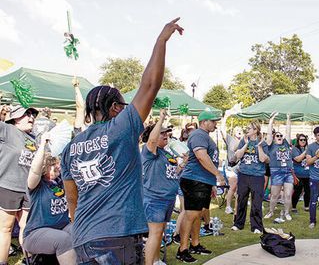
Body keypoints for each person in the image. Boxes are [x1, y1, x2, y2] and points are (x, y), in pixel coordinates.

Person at [61, 18, 184, 264]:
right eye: (124, 106)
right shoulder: (121, 128)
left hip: (83, 237)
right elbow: (150, 85)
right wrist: (161, 40)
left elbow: (71, 198)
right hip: (116, 236)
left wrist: (84, 227)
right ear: (116, 107)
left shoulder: (69, 148)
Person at [176, 110, 225, 263]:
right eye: (213, 121)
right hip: (194, 180)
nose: (215, 124)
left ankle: (195, 244)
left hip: (202, 181)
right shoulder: (198, 135)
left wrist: (211, 183)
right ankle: (182, 249)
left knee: (199, 214)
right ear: (204, 122)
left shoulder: (204, 136)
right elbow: (201, 156)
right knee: (191, 215)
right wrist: (218, 174)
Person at [23, 132, 76, 264]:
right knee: (64, 240)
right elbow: (34, 170)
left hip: (62, 227)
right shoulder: (37, 186)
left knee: (83, 229)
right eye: (51, 165)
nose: (56, 166)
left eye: (56, 163)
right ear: (43, 168)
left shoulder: (61, 181)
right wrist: (42, 145)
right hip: (35, 234)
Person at [0, 105, 38, 264]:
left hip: (28, 190)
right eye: (27, 114)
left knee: (27, 227)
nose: (31, 117)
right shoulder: (7, 129)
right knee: (5, 228)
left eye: (33, 114)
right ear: (15, 118)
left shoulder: (34, 138)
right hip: (8, 186)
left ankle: (28, 260)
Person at [141, 109, 180, 265]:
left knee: (160, 232)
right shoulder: (149, 151)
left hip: (168, 198)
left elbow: (171, 172)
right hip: (155, 199)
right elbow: (151, 141)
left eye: (167, 133)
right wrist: (161, 119)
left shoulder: (165, 152)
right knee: (155, 233)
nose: (166, 135)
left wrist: (182, 165)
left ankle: (156, 260)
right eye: (162, 133)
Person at [231, 121, 266, 234]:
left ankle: (256, 226)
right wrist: (246, 144)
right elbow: (237, 156)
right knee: (241, 199)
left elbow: (262, 159)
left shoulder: (262, 142)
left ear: (256, 130)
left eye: (249, 128)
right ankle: (238, 224)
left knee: (256, 202)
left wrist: (259, 146)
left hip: (257, 176)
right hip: (244, 174)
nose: (247, 130)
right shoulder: (243, 140)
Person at [262, 112, 294, 221]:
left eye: (281, 136)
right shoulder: (271, 146)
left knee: (288, 195)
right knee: (274, 195)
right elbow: (269, 134)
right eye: (278, 136)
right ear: (275, 138)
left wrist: (288, 118)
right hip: (276, 171)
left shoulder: (286, 143)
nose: (280, 137)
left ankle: (286, 212)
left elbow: (288, 132)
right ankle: (271, 211)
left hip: (288, 171)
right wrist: (271, 120)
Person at [219, 110, 240, 215]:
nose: (239, 131)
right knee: (233, 186)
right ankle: (228, 206)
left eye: (241, 130)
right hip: (231, 167)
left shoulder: (245, 141)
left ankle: (238, 207)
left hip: (240, 167)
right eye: (237, 130)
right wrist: (226, 117)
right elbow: (222, 130)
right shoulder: (230, 139)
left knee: (239, 188)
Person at [291, 134, 310, 213]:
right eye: (301, 140)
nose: (303, 141)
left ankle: (306, 206)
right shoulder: (295, 149)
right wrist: (306, 151)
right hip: (298, 174)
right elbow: (298, 159)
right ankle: (294, 207)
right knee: (297, 191)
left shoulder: (309, 148)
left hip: (308, 174)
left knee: (308, 191)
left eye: (304, 140)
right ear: (298, 141)